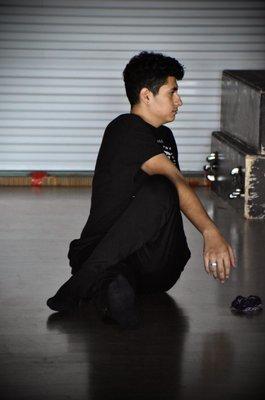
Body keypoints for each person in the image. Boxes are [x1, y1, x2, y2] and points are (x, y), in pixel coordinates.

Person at [46, 51, 236, 329]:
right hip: (110, 255)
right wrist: (211, 231)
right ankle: (110, 293)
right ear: (147, 95)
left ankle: (87, 283)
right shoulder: (124, 127)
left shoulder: (165, 136)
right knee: (163, 187)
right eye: (173, 92)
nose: (179, 100)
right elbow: (174, 180)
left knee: (162, 190)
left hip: (157, 264)